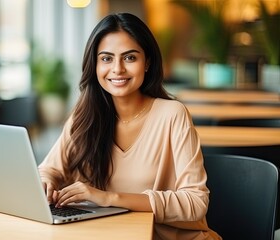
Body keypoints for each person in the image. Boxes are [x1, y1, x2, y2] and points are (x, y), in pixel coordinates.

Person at [38, 12, 221, 240]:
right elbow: (49, 169)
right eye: (106, 58)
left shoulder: (173, 114)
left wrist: (108, 197)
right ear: (94, 65)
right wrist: (46, 182)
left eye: (130, 58)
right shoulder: (84, 116)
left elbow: (196, 202)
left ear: (147, 63)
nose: (117, 69)